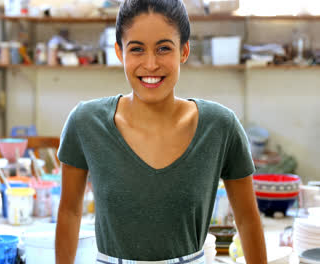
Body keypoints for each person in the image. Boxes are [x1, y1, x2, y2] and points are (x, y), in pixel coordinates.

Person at [55, 0, 267, 263]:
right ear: (119, 52)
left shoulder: (220, 126)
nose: (151, 64)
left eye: (164, 48)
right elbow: (69, 213)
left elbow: (247, 220)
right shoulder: (85, 122)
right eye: (137, 49)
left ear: (184, 51)